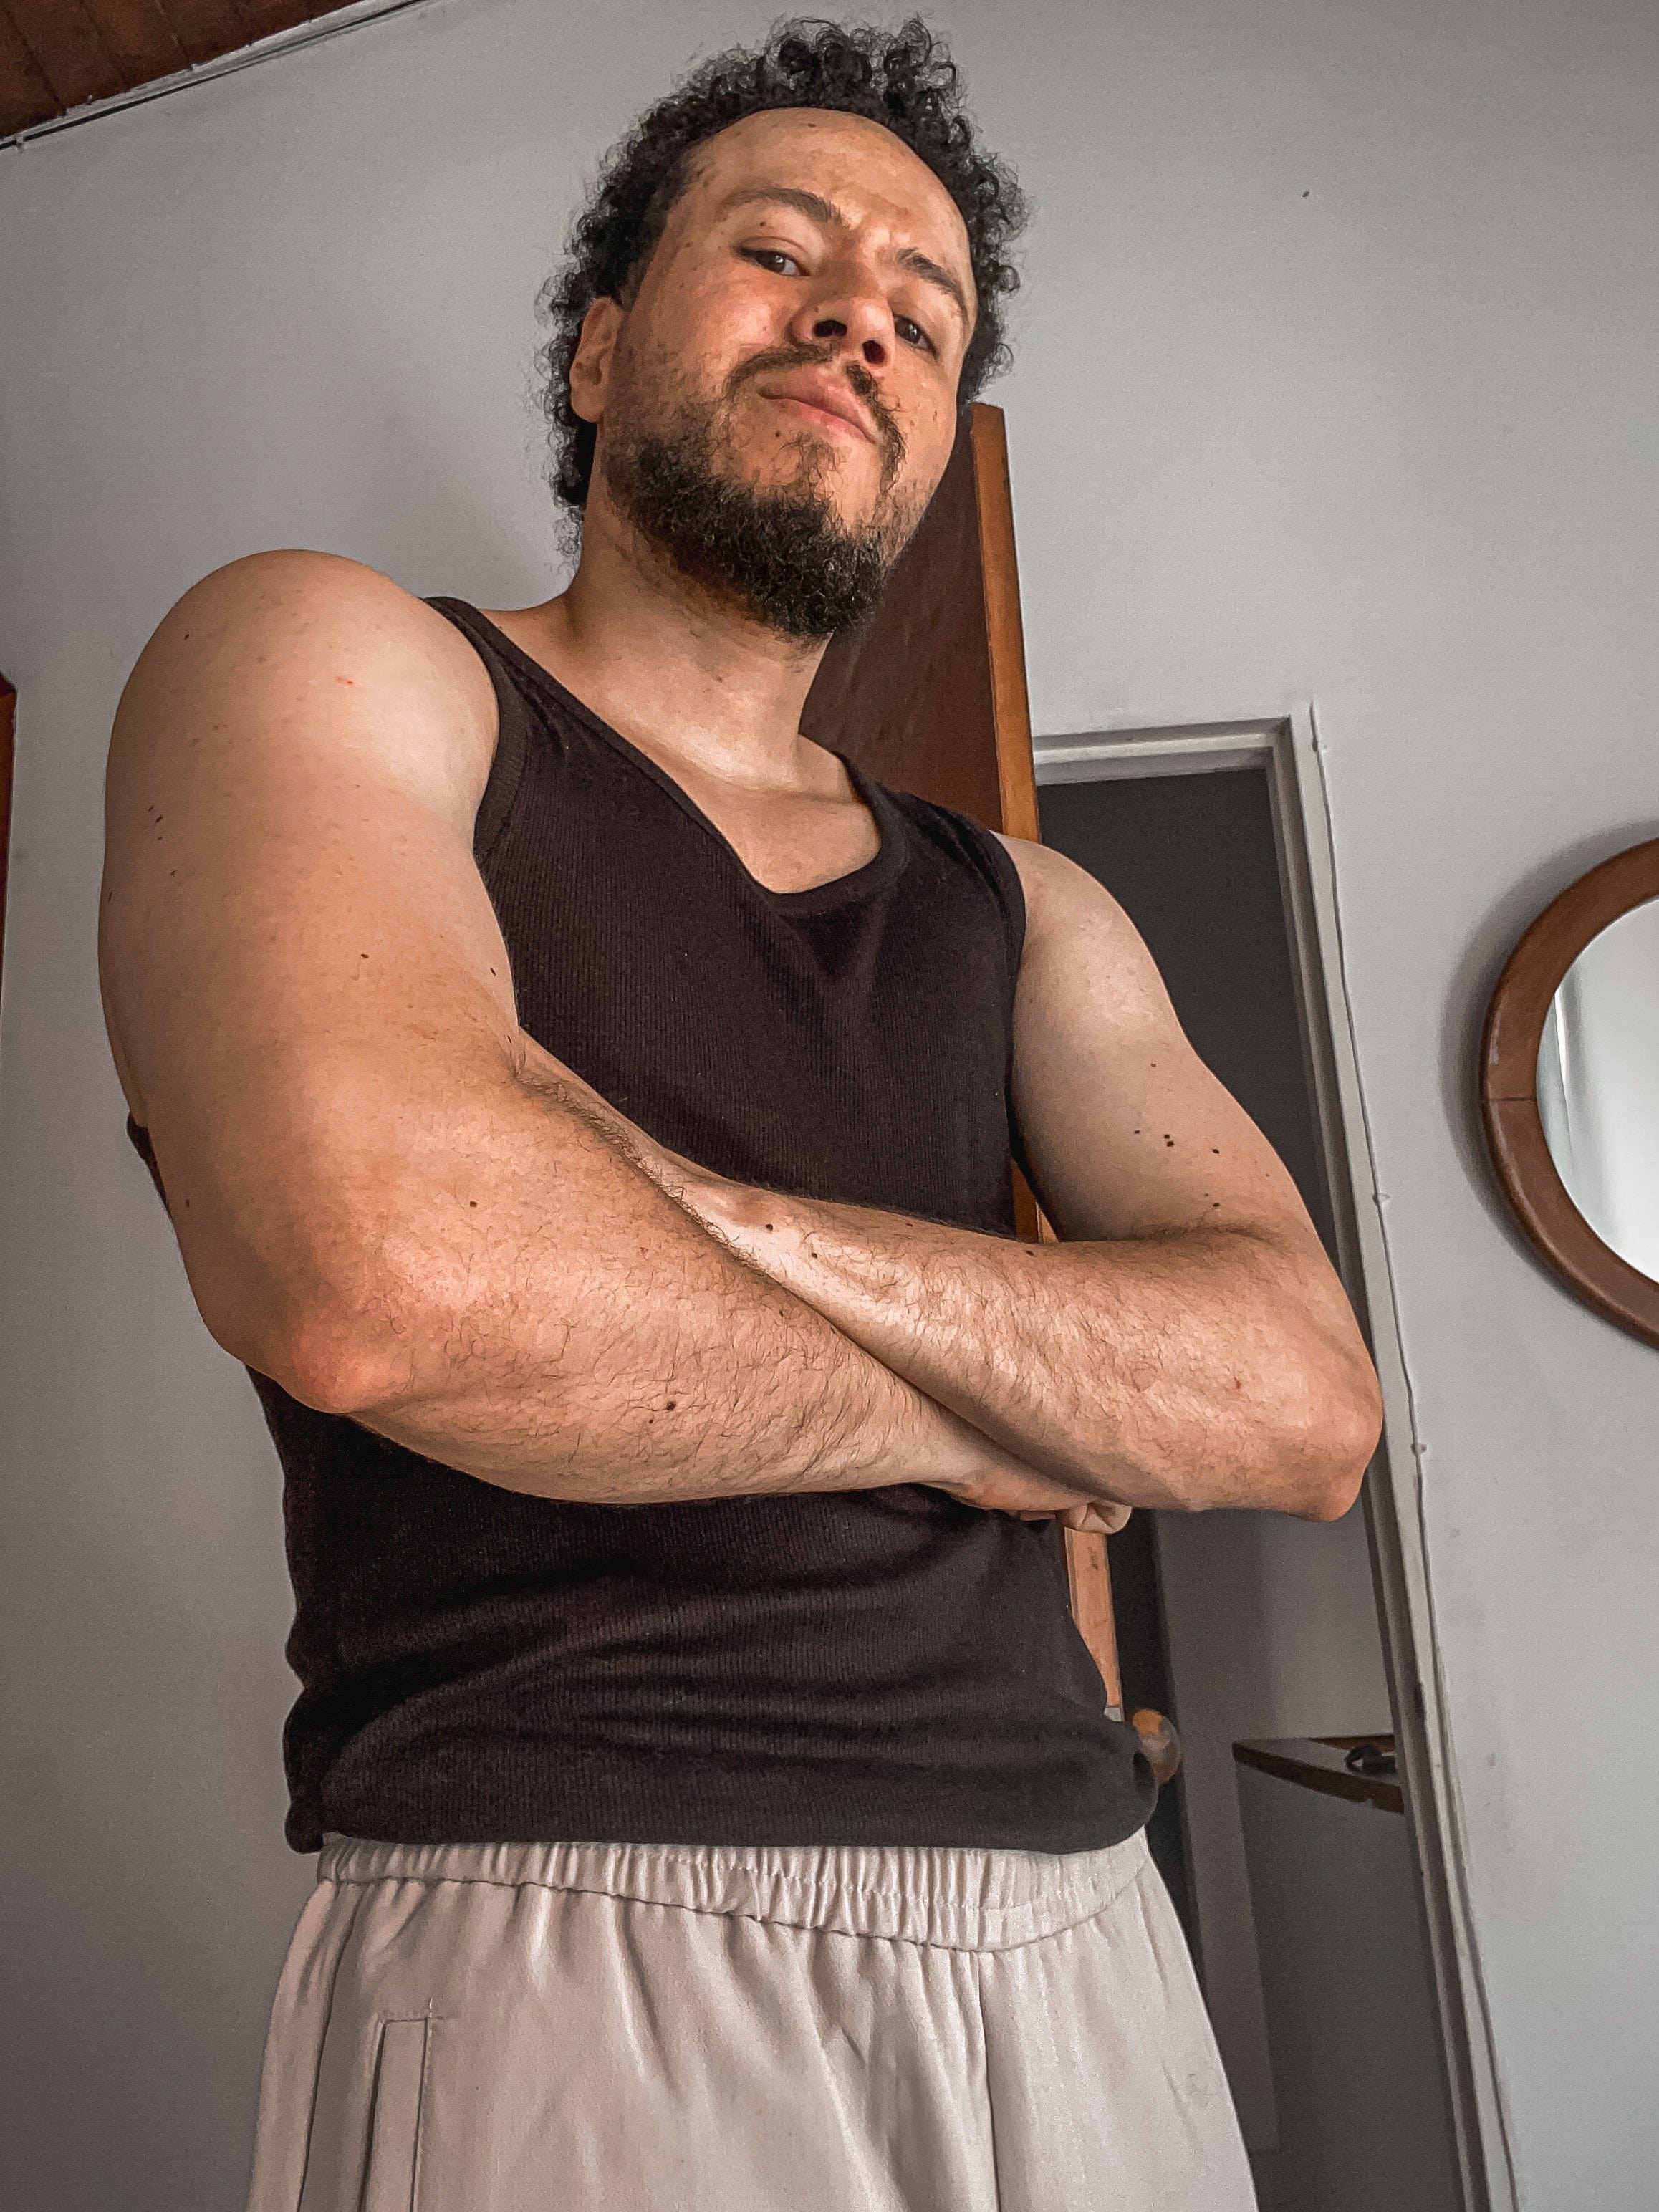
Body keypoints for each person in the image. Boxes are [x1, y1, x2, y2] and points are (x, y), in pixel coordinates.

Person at [99, 19, 1382, 2211]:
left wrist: (672, 1207)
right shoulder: (338, 662)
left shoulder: (1025, 913)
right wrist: (998, 1418)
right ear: (600, 349)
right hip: (576, 1912)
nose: (856, 322)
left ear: (933, 439)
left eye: (919, 314)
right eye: (779, 254)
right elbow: (386, 1286)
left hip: (1086, 1926)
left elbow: (1297, 1407)